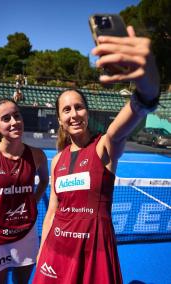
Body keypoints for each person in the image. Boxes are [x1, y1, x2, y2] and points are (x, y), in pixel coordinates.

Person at [32, 26, 160, 283]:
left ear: (87, 112)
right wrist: (42, 249)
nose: (73, 114)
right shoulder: (57, 159)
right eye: (66, 110)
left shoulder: (105, 146)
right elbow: (53, 210)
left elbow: (126, 120)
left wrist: (147, 85)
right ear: (60, 119)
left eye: (78, 107)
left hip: (94, 254)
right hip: (56, 252)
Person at [0, 98, 49, 283]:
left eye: (17, 115)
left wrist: (33, 201)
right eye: (6, 118)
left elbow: (44, 180)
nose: (14, 122)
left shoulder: (37, 155)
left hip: (26, 235)